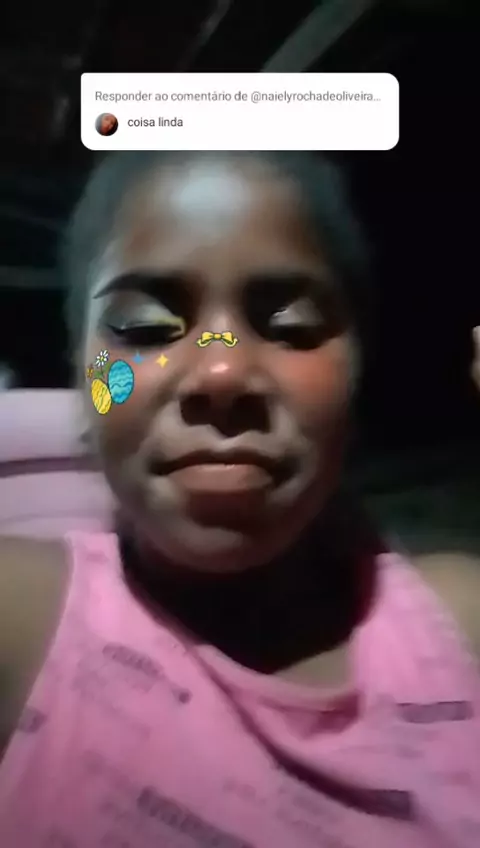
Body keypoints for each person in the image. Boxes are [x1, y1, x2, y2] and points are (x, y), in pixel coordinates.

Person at [0, 152, 479, 848]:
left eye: (291, 326)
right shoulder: (19, 625)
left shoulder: (461, 630)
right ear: (81, 373)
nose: (222, 369)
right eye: (142, 327)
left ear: (359, 370)